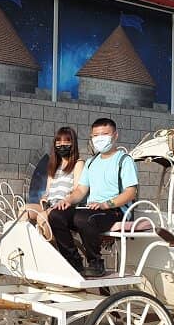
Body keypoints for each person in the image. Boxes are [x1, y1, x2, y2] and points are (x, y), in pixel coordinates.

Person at [49, 117, 139, 278]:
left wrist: (106, 204)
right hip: (92, 209)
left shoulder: (124, 160)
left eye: (105, 134)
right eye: (96, 136)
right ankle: (73, 261)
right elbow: (81, 190)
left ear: (115, 135)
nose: (100, 139)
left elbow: (131, 192)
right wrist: (67, 200)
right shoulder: (91, 162)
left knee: (83, 218)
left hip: (115, 210)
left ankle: (96, 263)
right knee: (56, 215)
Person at [26, 127, 85, 223]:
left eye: (66, 142)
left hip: (64, 206)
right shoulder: (54, 165)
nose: (62, 145)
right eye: (58, 142)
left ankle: (48, 233)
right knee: (24, 211)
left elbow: (77, 190)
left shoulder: (78, 163)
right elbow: (47, 191)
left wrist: (66, 200)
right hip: (49, 205)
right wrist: (44, 198)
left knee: (42, 217)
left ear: (73, 144)